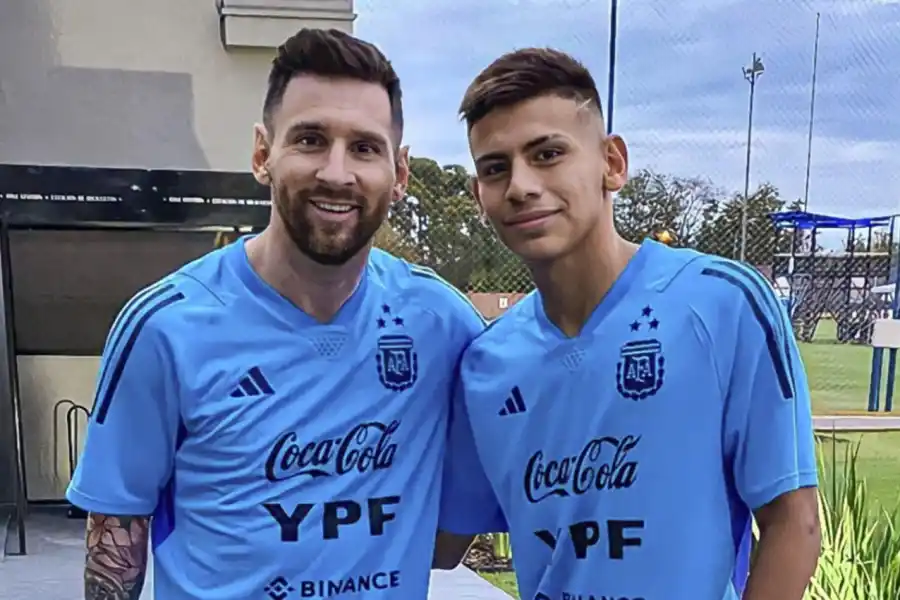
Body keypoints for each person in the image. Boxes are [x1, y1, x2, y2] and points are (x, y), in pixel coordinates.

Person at [67, 28, 489, 600]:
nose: (336, 173)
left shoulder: (442, 323)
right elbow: (116, 549)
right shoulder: (165, 327)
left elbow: (449, 538)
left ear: (400, 173)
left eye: (365, 148)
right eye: (311, 140)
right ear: (263, 153)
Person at [446, 47, 821, 600]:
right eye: (495, 168)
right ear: (480, 195)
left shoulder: (721, 303)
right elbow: (439, 541)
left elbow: (795, 524)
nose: (521, 185)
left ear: (612, 163)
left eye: (547, 153)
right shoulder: (486, 364)